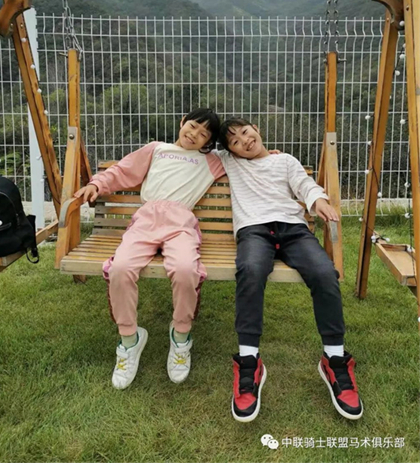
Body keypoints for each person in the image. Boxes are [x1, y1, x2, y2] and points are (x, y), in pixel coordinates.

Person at [215, 117, 363, 423]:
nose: (244, 141)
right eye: (235, 141)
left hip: (293, 229)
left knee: (325, 273)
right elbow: (197, 146)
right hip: (254, 231)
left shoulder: (284, 161)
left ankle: (334, 359)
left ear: (256, 128)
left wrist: (318, 201)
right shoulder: (230, 162)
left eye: (245, 132)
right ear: (231, 151)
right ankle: (249, 361)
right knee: (251, 269)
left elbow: (304, 184)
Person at [75, 108, 225, 390]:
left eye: (204, 134)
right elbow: (122, 171)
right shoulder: (157, 149)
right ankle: (130, 339)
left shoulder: (212, 161)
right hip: (146, 221)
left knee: (185, 269)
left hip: (180, 225)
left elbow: (244, 159)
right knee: (121, 268)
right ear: (182, 122)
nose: (194, 134)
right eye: (193, 126)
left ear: (208, 142)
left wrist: (267, 154)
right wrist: (97, 183)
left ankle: (181, 336)